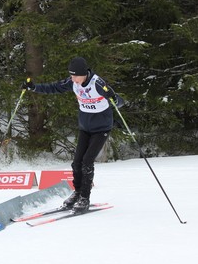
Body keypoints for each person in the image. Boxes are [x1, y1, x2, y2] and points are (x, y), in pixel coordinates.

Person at [22, 57, 124, 213]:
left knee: (87, 162)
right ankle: (77, 193)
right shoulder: (73, 82)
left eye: (75, 75)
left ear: (84, 74)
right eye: (71, 76)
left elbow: (119, 102)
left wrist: (114, 97)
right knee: (76, 163)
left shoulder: (97, 83)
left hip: (101, 129)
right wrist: (34, 87)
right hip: (85, 128)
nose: (73, 79)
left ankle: (85, 198)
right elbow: (55, 87)